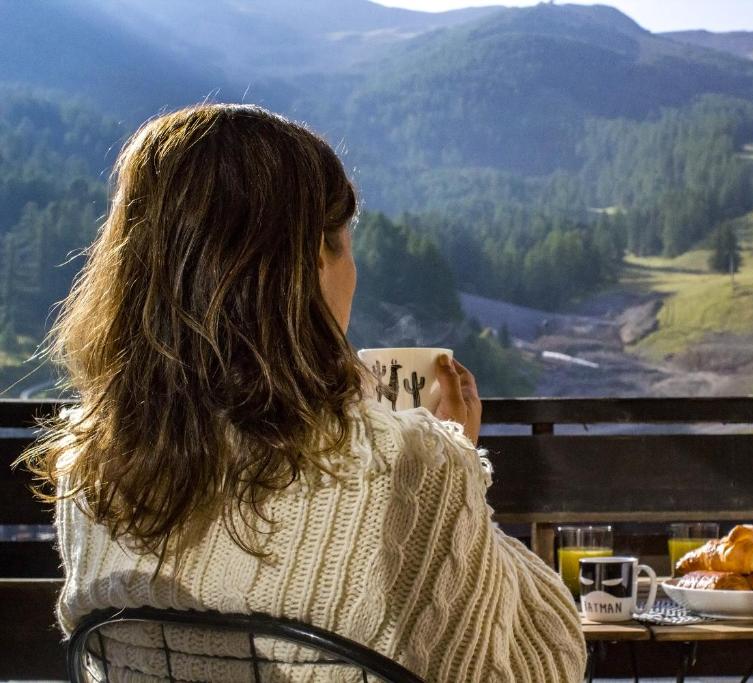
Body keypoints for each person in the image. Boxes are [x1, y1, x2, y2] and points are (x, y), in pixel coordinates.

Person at [22, 104, 586, 681]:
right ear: (318, 258)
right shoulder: (412, 466)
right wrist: (455, 459)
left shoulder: (86, 464)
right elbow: (539, 663)